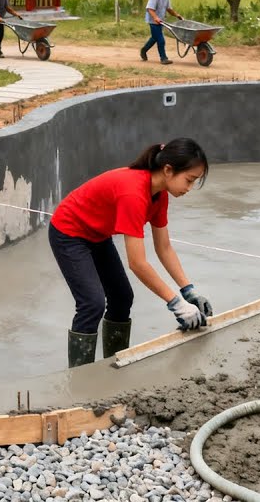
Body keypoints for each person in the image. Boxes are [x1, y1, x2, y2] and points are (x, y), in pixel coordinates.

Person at [48, 138, 214, 367]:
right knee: (92, 303)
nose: (189, 188)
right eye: (189, 180)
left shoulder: (160, 194)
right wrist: (176, 304)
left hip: (97, 234)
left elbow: (163, 247)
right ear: (168, 170)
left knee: (122, 297)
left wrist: (189, 291)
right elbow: (138, 263)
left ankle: (113, 366)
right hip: (69, 232)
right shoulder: (134, 194)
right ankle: (80, 378)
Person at [140, 0, 183, 65]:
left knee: (154, 38)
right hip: (153, 21)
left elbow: (169, 9)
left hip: (160, 20)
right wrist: (155, 18)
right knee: (160, 39)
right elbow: (149, 8)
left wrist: (177, 15)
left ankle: (144, 50)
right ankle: (163, 58)